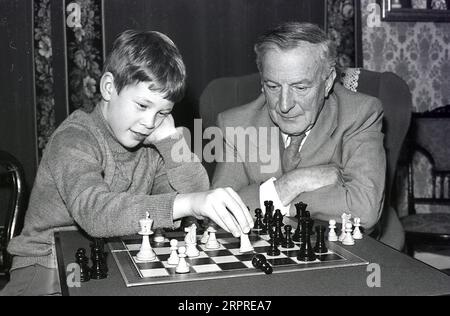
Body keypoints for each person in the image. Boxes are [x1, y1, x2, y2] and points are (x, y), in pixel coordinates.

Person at [1, 30, 252, 296]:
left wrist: (170, 141)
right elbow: (95, 212)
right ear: (109, 87)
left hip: (108, 261)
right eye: (143, 105)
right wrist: (189, 202)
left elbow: (193, 194)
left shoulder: (152, 141)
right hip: (45, 267)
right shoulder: (74, 138)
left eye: (163, 113)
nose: (150, 122)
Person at [212, 22, 385, 232]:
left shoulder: (360, 114)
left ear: (328, 81)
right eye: (273, 86)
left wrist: (267, 199)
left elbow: (364, 209)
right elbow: (220, 213)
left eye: (300, 87)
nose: (284, 105)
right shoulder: (236, 124)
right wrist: (293, 183)